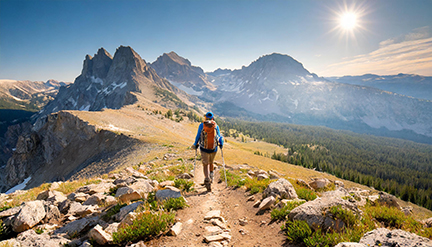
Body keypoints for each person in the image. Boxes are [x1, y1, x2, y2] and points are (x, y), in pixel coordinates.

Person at [191, 111, 224, 191]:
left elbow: (198, 135)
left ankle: (207, 179)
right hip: (214, 148)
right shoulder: (216, 126)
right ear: (212, 118)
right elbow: (219, 137)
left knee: (205, 164)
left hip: (204, 148)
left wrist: (195, 144)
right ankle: (211, 176)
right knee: (211, 162)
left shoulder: (202, 125)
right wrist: (221, 145)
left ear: (205, 118)